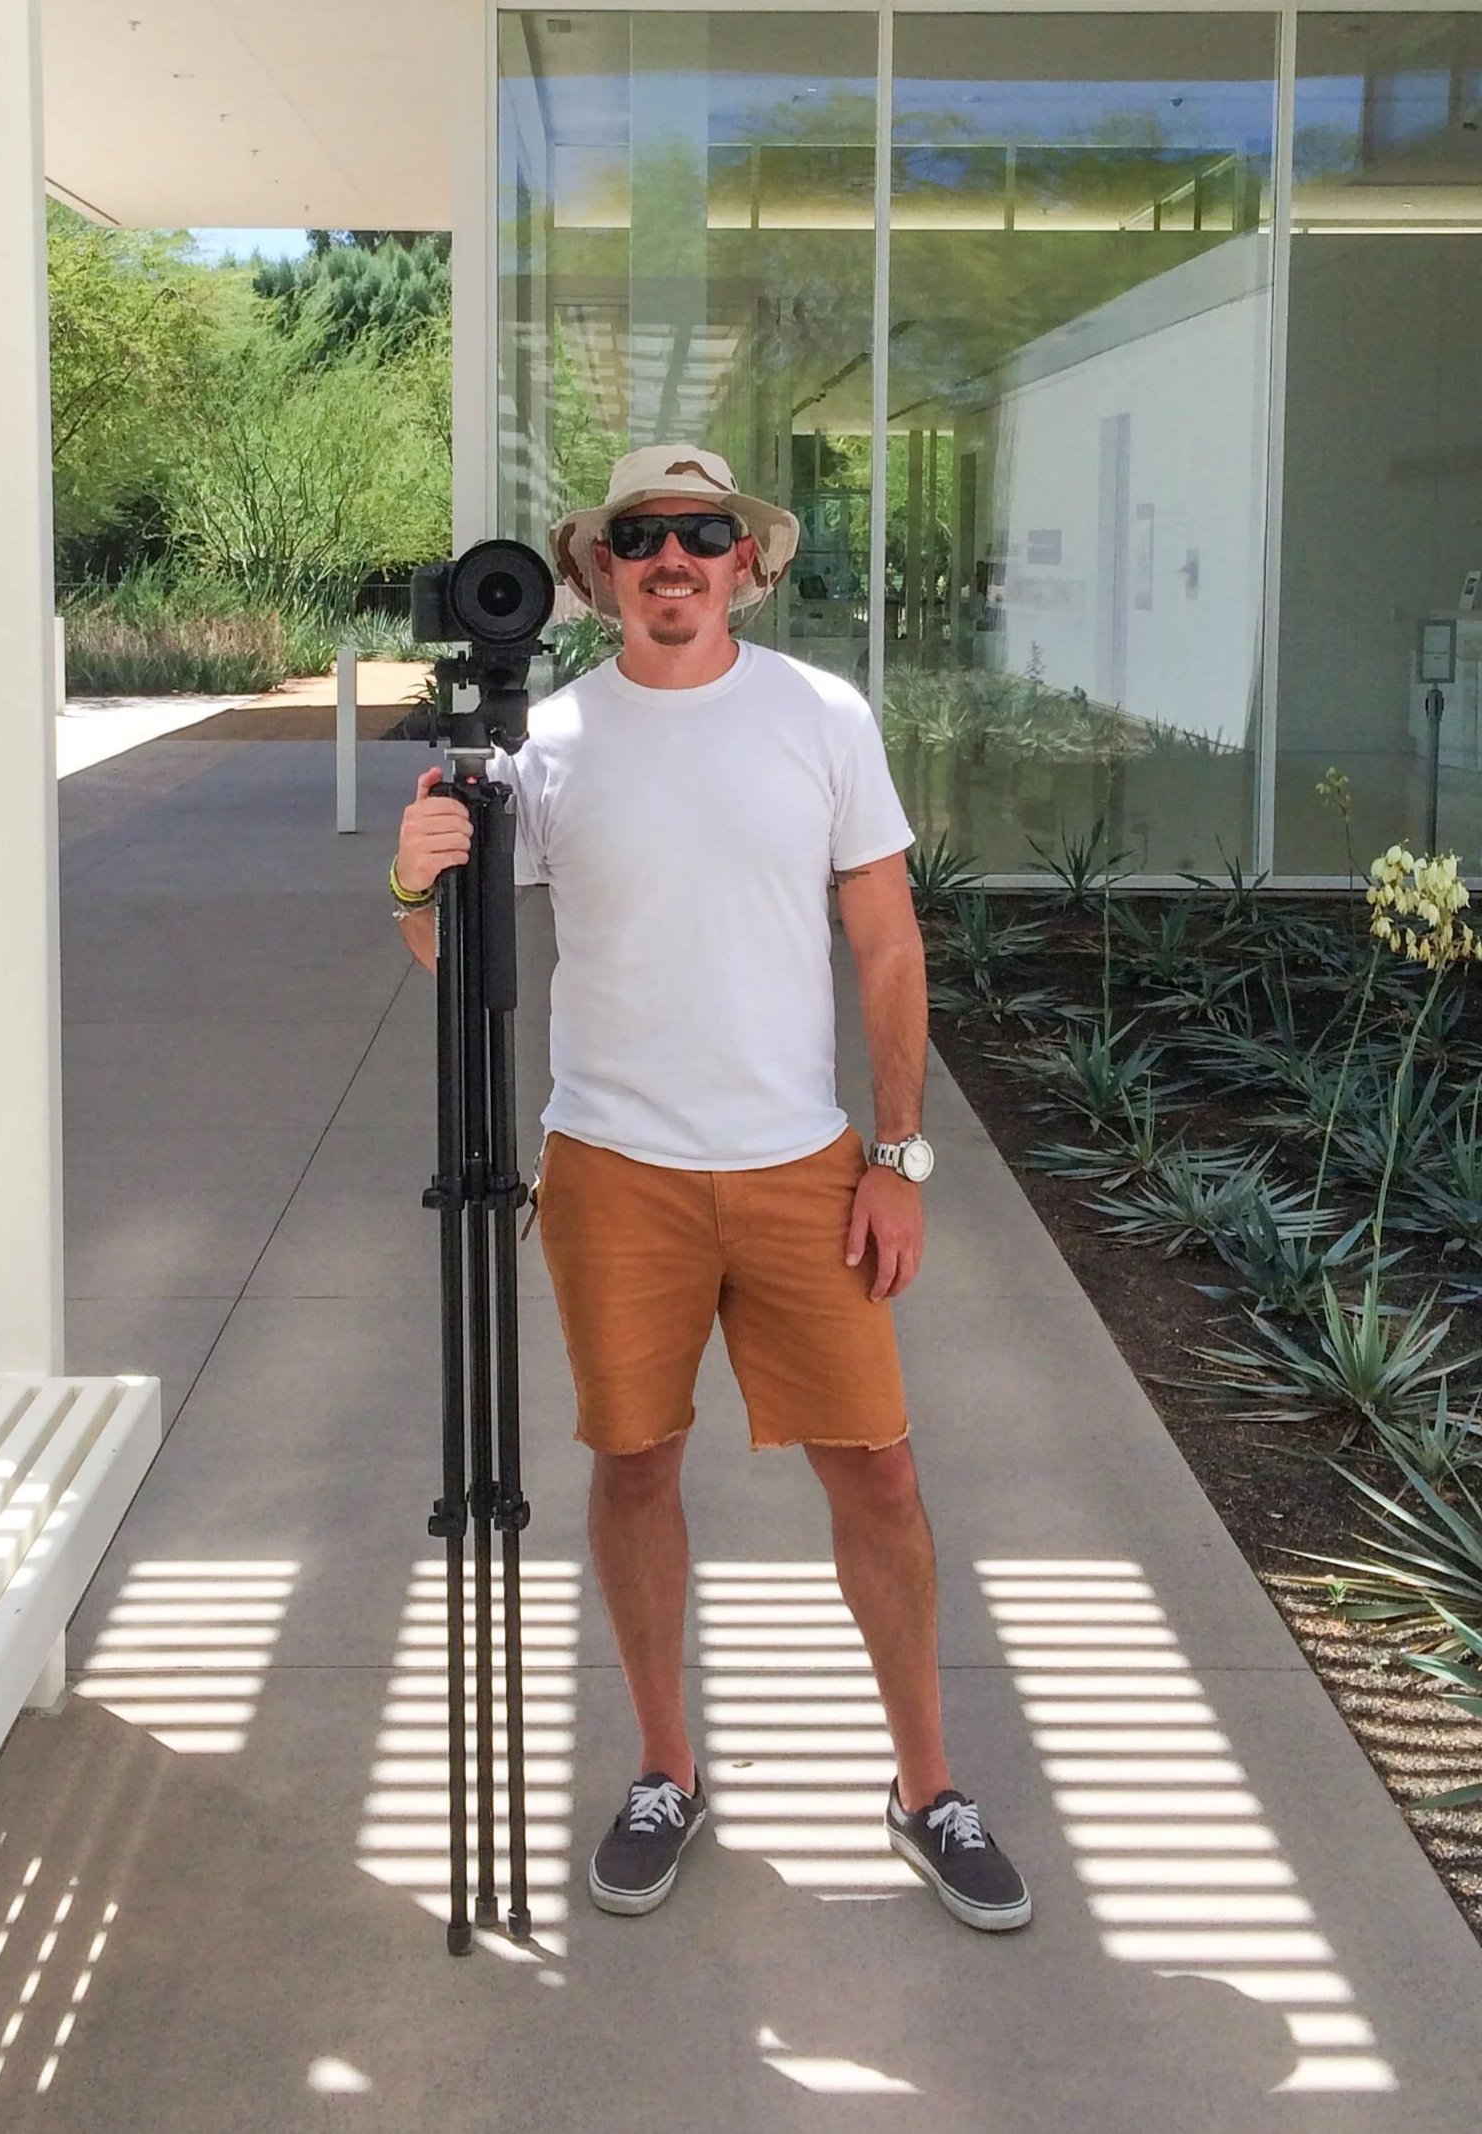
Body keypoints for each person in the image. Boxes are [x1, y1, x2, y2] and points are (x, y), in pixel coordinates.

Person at [392, 445, 1031, 1935]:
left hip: (803, 1164)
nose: (671, 556)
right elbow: (455, 967)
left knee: (877, 1464)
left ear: (747, 562)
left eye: (701, 534)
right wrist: (418, 882)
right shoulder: (545, 739)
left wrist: (898, 1156)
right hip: (615, 1167)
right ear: (600, 566)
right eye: (640, 536)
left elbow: (885, 943)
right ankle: (668, 1767)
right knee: (634, 1462)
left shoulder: (820, 716)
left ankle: (927, 1783)